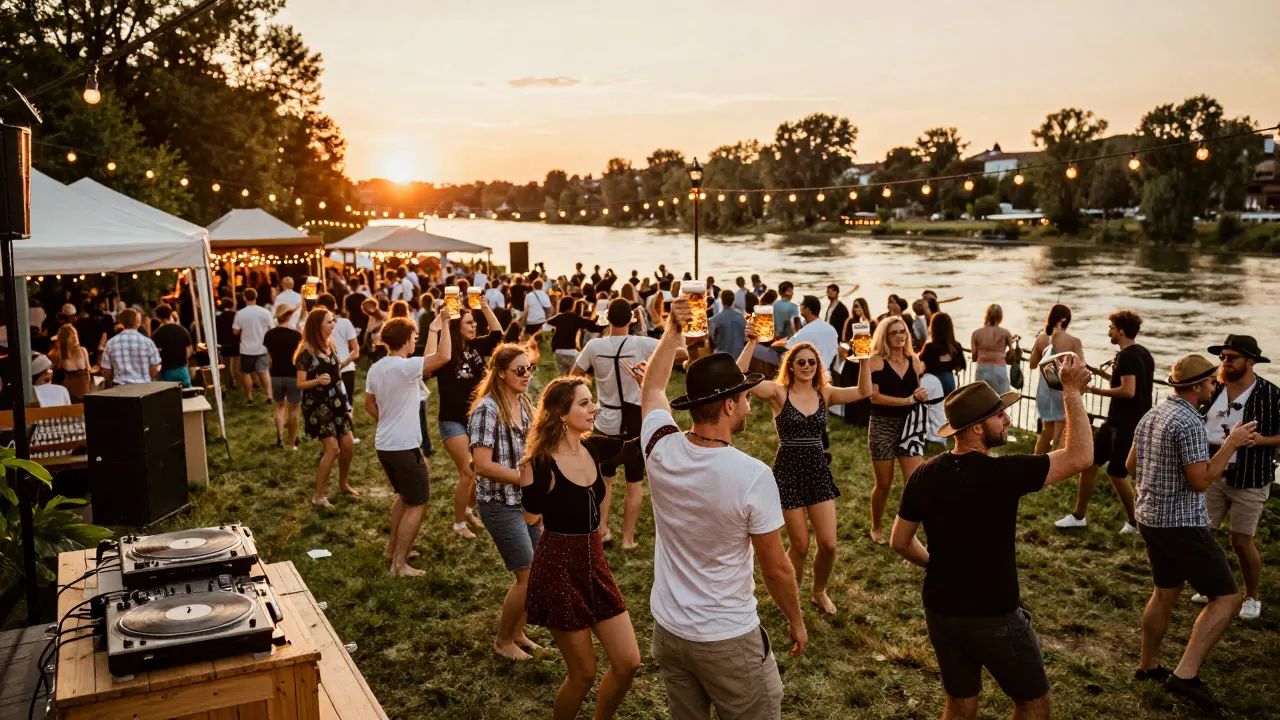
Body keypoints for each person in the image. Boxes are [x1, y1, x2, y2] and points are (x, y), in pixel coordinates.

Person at [890, 357, 1094, 720]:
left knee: (961, 703)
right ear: (976, 429)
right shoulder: (1003, 473)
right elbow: (1081, 457)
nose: (1009, 419)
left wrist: (935, 564)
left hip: (940, 609)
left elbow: (900, 542)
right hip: (993, 616)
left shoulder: (923, 475)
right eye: (1000, 415)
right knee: (1033, 704)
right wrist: (1073, 391)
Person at [639, 297, 806, 719]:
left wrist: (672, 331)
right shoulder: (751, 475)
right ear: (729, 406)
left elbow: (653, 387)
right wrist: (796, 619)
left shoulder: (659, 449)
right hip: (727, 638)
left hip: (670, 633)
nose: (749, 403)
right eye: (744, 397)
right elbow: (777, 569)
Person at [1128, 353, 1255, 709]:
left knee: (1165, 592)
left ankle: (1147, 666)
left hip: (1150, 518)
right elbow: (1200, 481)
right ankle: (1185, 676)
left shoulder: (1153, 414)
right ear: (1198, 386)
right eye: (1212, 382)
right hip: (1182, 524)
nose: (1215, 386)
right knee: (1228, 599)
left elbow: (1128, 464)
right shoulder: (1190, 423)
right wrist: (1231, 443)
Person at [516, 377, 639, 719]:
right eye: (584, 403)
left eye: (592, 401)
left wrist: (649, 396)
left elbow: (637, 445)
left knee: (629, 662)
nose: (593, 407)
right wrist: (530, 481)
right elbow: (530, 516)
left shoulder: (594, 447)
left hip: (595, 562)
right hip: (558, 567)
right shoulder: (540, 463)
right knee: (583, 673)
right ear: (560, 414)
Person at [737, 334, 871, 614]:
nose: (807, 366)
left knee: (830, 545)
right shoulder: (778, 393)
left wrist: (865, 356)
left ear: (817, 365)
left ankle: (818, 591)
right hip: (788, 471)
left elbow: (863, 391)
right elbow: (739, 377)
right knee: (800, 545)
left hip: (818, 471)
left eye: (812, 362)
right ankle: (790, 595)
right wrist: (751, 342)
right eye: (801, 362)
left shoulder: (826, 394)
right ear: (791, 366)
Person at [573, 299, 685, 549]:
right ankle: (628, 539)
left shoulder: (594, 346)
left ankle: (602, 530)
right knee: (634, 481)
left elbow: (574, 375)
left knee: (605, 478)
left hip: (604, 420)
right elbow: (681, 354)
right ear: (632, 319)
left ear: (607, 318)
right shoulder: (642, 343)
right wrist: (679, 333)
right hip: (636, 421)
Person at [365, 312, 454, 577]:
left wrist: (435, 329)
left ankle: (392, 550)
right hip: (403, 446)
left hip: (385, 445)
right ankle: (400, 565)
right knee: (418, 502)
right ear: (407, 340)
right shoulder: (403, 368)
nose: (416, 340)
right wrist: (447, 323)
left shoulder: (378, 367)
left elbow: (368, 405)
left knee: (405, 498)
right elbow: (442, 358)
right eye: (415, 336)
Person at [1196, 335, 1278, 620]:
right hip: (1212, 473)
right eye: (1223, 357)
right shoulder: (1214, 388)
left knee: (1241, 541)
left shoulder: (1271, 394)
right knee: (1203, 534)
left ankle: (1252, 597)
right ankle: (1213, 587)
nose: (1225, 362)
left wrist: (1261, 441)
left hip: (1251, 477)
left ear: (1250, 362)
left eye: (1231, 357)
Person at [468, 343, 542, 661]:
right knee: (526, 576)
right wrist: (523, 478)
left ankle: (517, 632)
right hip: (499, 503)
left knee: (537, 573)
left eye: (530, 368)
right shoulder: (488, 408)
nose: (527, 375)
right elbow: (481, 465)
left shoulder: (523, 403)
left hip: (526, 502)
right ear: (501, 374)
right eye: (520, 370)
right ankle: (502, 642)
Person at [1056, 310, 1154, 533]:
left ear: (1120, 332)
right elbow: (1126, 381)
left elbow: (1129, 391)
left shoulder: (1128, 356)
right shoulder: (1142, 354)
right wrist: (1096, 373)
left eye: (1111, 328)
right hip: (1117, 422)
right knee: (1089, 464)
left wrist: (1092, 389)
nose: (1108, 331)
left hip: (1126, 424)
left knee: (1117, 474)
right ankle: (1078, 516)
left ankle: (1136, 522)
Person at [435, 298, 505, 538]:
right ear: (457, 326)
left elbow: (497, 333)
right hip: (452, 421)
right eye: (469, 322)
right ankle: (458, 524)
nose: (474, 326)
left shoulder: (477, 347)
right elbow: (428, 361)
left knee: (478, 469)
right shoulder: (445, 353)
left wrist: (484, 307)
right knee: (467, 471)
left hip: (476, 419)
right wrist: (440, 321)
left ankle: (466, 509)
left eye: (474, 322)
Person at [866, 316, 929, 544]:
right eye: (894, 332)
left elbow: (917, 389)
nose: (900, 336)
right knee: (884, 485)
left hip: (910, 425)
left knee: (914, 484)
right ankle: (876, 526)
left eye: (903, 331)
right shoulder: (875, 361)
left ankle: (905, 533)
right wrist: (907, 401)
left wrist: (920, 395)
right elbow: (874, 397)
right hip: (883, 426)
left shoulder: (913, 360)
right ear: (885, 336)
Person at [295, 308, 360, 507]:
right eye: (329, 322)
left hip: (337, 402)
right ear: (317, 326)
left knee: (348, 445)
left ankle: (343, 483)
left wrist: (347, 406)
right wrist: (316, 381)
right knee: (333, 450)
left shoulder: (330, 346)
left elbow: (337, 374)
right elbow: (300, 384)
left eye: (333, 321)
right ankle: (318, 496)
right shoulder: (306, 351)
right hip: (318, 405)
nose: (333, 325)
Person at [1028, 304, 1084, 455]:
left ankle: (1036, 462)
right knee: (1061, 429)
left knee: (1047, 430)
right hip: (1062, 389)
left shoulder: (1041, 339)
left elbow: (1032, 364)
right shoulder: (1074, 342)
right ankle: (1055, 467)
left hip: (1045, 390)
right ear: (1065, 320)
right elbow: (1081, 367)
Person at [264, 304, 303, 449]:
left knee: (279, 406)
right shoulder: (296, 335)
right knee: (294, 408)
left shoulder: (269, 335)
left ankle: (279, 437)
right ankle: (292, 443)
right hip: (293, 374)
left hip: (276, 373)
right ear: (289, 315)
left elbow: (268, 358)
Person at [233, 288, 274, 403]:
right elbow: (271, 329)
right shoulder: (265, 312)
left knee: (246, 373)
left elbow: (235, 331)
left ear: (244, 298)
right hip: (262, 347)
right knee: (264, 371)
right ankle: (269, 395)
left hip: (246, 348)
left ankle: (249, 396)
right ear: (256, 297)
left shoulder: (240, 313)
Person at [100, 308, 160, 387]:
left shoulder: (111, 343)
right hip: (144, 389)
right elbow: (154, 370)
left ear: (121, 322)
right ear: (137, 322)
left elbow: (106, 372)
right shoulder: (148, 342)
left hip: (119, 390)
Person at [970, 304, 1016, 394]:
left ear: (986, 316)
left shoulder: (976, 333)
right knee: (1001, 402)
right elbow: (1013, 353)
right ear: (1000, 317)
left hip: (982, 370)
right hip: (1000, 370)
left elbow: (974, 356)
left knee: (982, 401)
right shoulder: (1005, 333)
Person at [783, 295, 838, 370]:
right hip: (828, 372)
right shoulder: (831, 329)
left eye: (801, 304)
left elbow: (788, 346)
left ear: (808, 309)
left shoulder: (807, 330)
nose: (799, 307)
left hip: (811, 373)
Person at [546, 297, 597, 376]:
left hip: (558, 351)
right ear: (572, 305)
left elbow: (549, 321)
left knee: (561, 375)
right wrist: (597, 316)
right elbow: (590, 323)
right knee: (573, 375)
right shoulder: (574, 317)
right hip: (570, 351)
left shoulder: (559, 317)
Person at [919, 312, 966, 396]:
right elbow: (963, 365)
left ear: (933, 328)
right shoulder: (955, 346)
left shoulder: (929, 347)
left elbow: (921, 367)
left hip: (932, 382)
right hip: (949, 381)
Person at [151, 303, 192, 387]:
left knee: (168, 397)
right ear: (170, 314)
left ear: (158, 318)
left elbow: (155, 355)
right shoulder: (182, 330)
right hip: (182, 370)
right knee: (187, 396)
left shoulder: (157, 334)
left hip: (166, 372)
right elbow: (189, 351)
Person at [52, 325, 92, 402]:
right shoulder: (58, 355)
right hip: (68, 395)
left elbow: (88, 373)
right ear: (64, 339)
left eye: (75, 334)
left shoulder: (83, 350)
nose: (75, 337)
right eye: (71, 335)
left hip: (84, 394)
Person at [707, 288, 746, 358]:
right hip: (740, 355)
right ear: (733, 300)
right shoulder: (742, 317)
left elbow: (711, 340)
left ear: (721, 300)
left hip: (723, 356)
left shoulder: (714, 319)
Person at [216, 297, 241, 390]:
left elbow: (217, 330)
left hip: (224, 342)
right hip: (235, 341)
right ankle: (235, 380)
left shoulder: (219, 317)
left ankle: (229, 380)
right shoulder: (236, 315)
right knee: (236, 362)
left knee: (225, 363)